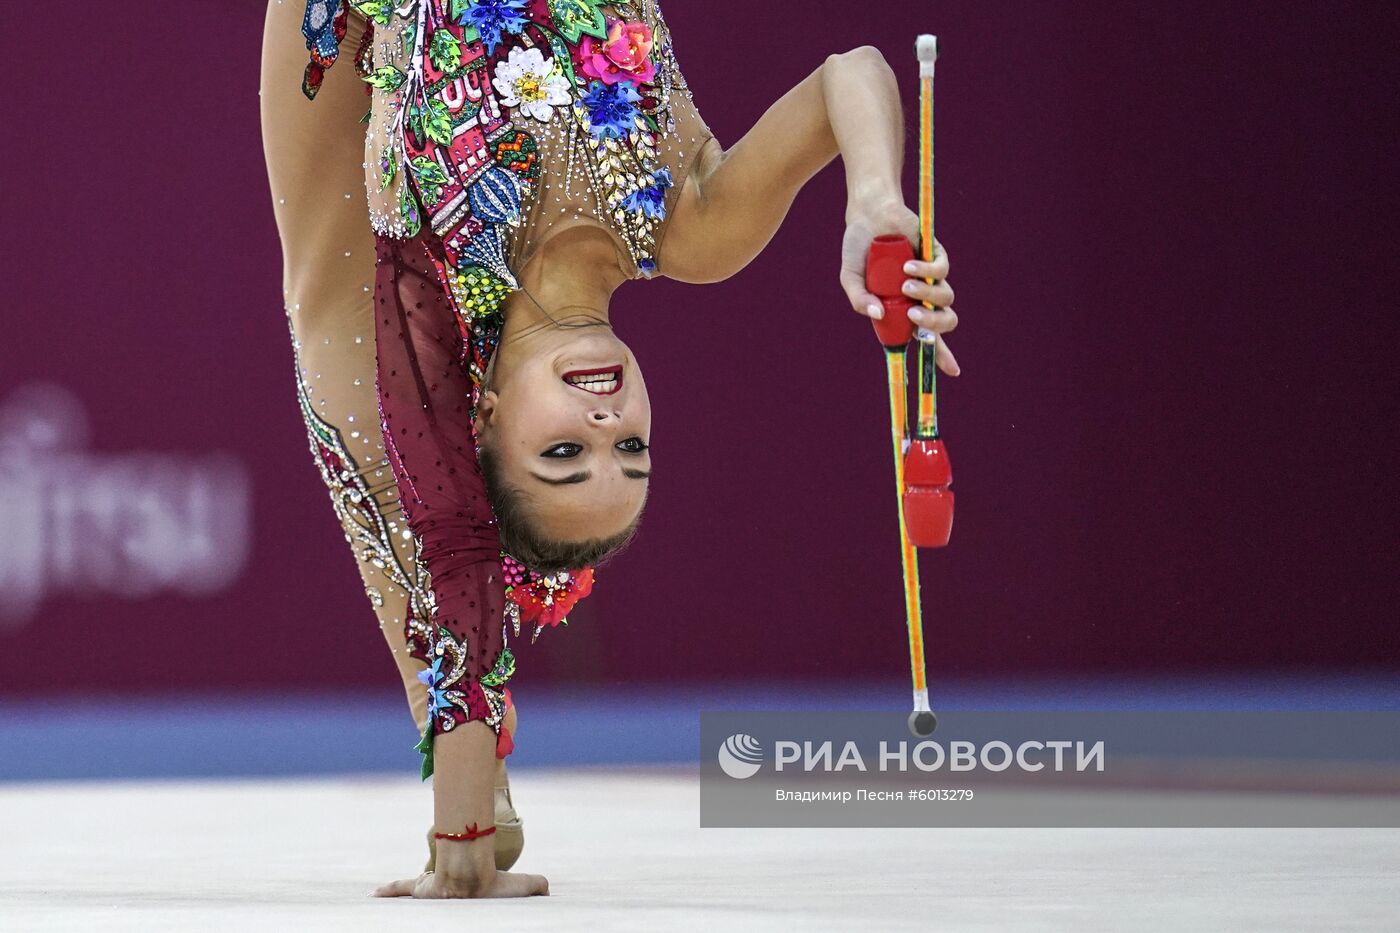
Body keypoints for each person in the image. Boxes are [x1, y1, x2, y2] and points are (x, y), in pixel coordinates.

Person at [261, 0, 957, 899]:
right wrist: (873, 196)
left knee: (346, 377)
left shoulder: (424, 286)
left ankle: (463, 761)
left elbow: (456, 535)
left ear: (491, 415)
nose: (603, 428)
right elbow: (850, 72)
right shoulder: (695, 232)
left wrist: (462, 836)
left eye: (563, 455)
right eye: (631, 448)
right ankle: (468, 753)